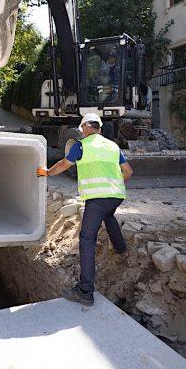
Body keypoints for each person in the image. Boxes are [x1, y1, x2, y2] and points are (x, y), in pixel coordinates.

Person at [36, 113, 133, 306]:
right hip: (116, 196)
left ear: (85, 127)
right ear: (99, 127)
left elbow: (64, 164)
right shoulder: (113, 146)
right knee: (108, 215)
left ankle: (85, 290)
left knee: (87, 238)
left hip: (97, 199)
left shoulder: (82, 146)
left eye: (81, 129)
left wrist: (46, 172)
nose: (81, 132)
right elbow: (128, 171)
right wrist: (113, 186)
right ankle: (121, 247)